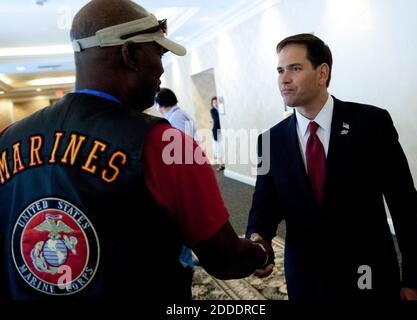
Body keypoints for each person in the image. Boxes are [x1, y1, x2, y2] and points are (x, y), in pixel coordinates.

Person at [0, 0, 273, 300]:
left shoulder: (8, 138)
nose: (160, 70)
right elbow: (224, 258)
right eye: (158, 52)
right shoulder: (164, 143)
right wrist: (261, 252)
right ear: (130, 54)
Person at [246, 33, 417, 300]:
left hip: (369, 274)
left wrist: (416, 278)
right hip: (306, 278)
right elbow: (264, 204)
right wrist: (258, 240)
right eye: (280, 70)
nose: (283, 79)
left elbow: (404, 204)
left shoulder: (372, 123)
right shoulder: (269, 141)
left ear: (322, 73)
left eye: (295, 69)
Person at [155, 88, 198, 275]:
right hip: (186, 169)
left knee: (180, 219)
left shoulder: (176, 119)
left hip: (181, 173)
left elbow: (177, 149)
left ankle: (185, 261)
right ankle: (186, 258)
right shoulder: (181, 114)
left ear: (161, 104)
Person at [210, 96, 225, 171]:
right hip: (216, 130)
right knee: (218, 147)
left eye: (216, 102)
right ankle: (221, 164)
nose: (215, 103)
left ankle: (223, 163)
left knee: (222, 146)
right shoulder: (212, 110)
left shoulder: (220, 109)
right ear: (212, 103)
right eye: (214, 102)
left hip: (221, 130)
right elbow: (216, 119)